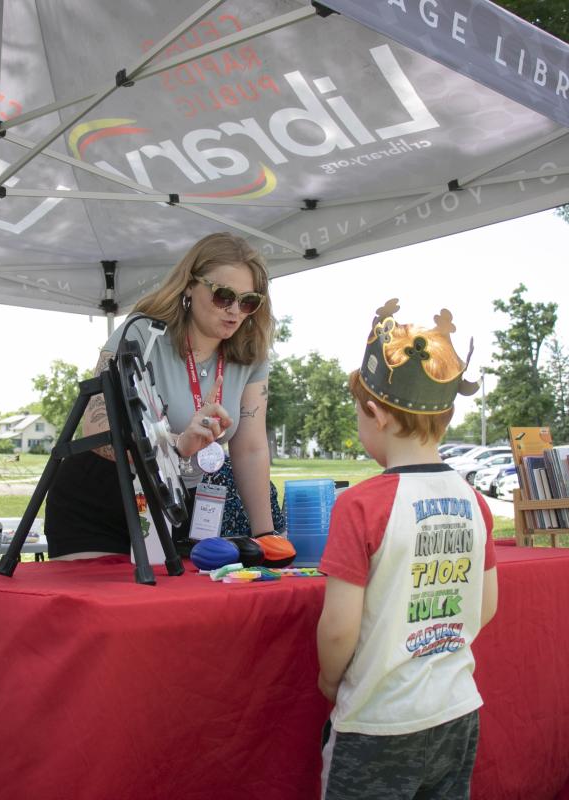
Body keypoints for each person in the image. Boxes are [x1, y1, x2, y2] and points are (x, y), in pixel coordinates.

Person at [316, 301, 499, 799]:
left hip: (378, 720)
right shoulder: (474, 501)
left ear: (376, 414)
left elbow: (338, 627)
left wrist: (330, 681)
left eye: (359, 415)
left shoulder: (360, 506)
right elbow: (486, 605)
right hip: (456, 709)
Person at [45, 232, 281, 558]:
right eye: (223, 295)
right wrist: (172, 447)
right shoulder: (144, 331)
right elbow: (96, 426)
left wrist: (265, 536)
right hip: (100, 495)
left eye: (248, 301)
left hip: (174, 502)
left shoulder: (251, 355)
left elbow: (251, 449)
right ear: (189, 285)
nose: (235, 311)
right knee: (106, 608)